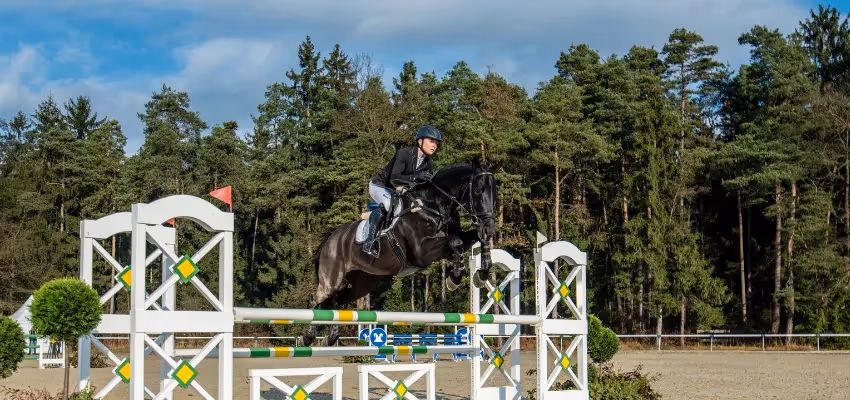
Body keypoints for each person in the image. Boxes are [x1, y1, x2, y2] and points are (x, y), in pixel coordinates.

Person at [363, 125, 442, 256]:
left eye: (436, 143)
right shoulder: (403, 153)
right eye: (431, 141)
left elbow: (421, 187)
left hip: (400, 191)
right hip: (381, 186)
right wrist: (417, 176)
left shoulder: (428, 163)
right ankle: (369, 242)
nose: (434, 145)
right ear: (420, 141)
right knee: (388, 204)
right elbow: (394, 179)